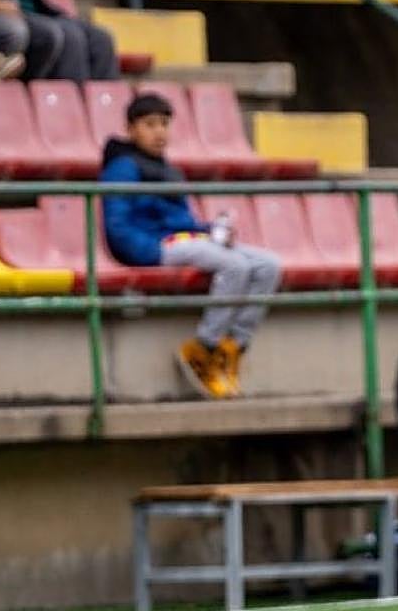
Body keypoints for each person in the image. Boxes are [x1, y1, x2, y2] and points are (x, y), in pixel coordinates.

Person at [101, 94, 281, 399]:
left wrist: (211, 230)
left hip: (182, 241)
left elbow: (183, 221)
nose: (159, 132)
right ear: (131, 129)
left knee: (268, 264)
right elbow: (118, 226)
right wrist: (152, 251)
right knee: (234, 265)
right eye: (149, 124)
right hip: (157, 247)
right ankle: (203, 346)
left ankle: (232, 347)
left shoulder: (168, 169)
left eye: (164, 124)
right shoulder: (122, 168)